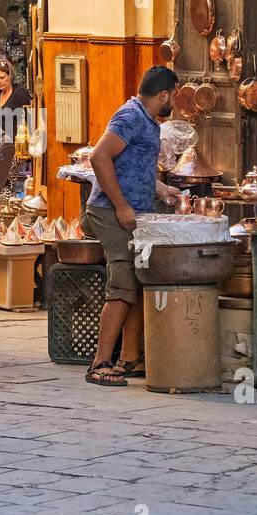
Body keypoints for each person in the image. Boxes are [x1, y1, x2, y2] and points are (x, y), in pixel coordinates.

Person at [83, 65, 182, 386]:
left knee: (138, 282)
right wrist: (123, 206)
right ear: (163, 94)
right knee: (123, 283)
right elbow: (100, 157)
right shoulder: (130, 117)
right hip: (110, 212)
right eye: (175, 96)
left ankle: (129, 359)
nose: (175, 102)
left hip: (132, 212)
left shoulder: (147, 119)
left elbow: (134, 167)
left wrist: (161, 188)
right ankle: (100, 363)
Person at [0, 57, 31, 138]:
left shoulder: (20, 94)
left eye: (2, 77)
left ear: (10, 76)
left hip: (15, 146)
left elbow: (30, 123)